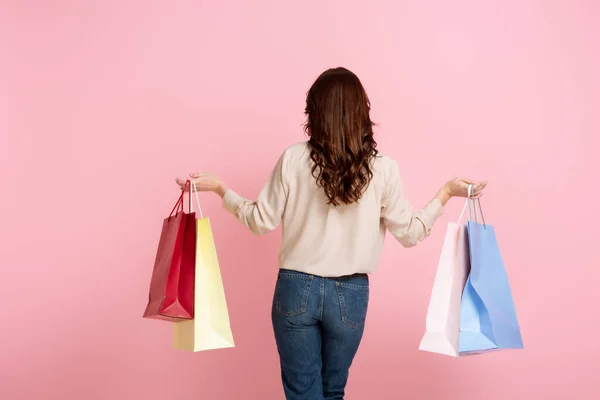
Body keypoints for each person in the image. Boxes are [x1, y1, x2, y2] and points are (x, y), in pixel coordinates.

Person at [176, 67, 486, 400]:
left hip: (296, 289)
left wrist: (222, 190)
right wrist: (445, 193)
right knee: (332, 391)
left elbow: (260, 221)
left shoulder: (294, 158)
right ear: (361, 112)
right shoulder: (383, 168)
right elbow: (410, 234)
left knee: (303, 393)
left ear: (316, 111)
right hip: (350, 295)